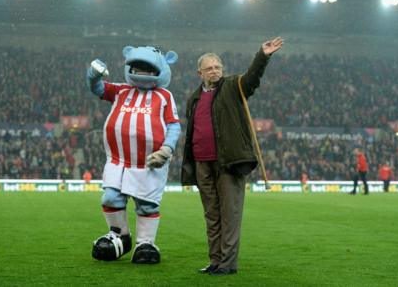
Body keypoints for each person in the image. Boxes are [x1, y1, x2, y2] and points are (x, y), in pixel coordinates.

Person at [181, 37, 284, 276]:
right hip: (202, 163)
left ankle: (228, 264)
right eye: (209, 68)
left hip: (228, 162)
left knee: (230, 214)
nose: (214, 71)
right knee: (212, 215)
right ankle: (215, 260)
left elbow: (252, 79)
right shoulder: (193, 99)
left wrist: (263, 56)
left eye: (217, 67)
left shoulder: (234, 86)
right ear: (200, 73)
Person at [87, 46, 181, 264]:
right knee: (111, 197)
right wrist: (93, 75)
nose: (142, 70)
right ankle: (120, 236)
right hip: (118, 160)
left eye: (147, 68)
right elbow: (98, 88)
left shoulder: (164, 96)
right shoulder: (121, 90)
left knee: (146, 204)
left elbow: (173, 125)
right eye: (138, 66)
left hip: (148, 163)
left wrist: (166, 150)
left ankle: (145, 243)